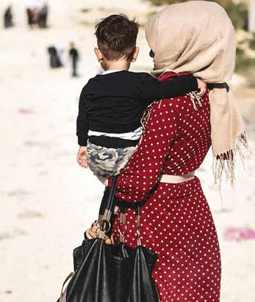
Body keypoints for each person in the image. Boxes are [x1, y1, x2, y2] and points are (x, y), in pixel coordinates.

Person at [113, 2, 246, 302]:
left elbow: (137, 182)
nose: (152, 52)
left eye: (158, 43)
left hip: (154, 215)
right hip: (191, 208)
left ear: (184, 42)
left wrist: (105, 172)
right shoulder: (212, 93)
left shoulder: (167, 99)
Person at [75, 14, 205, 182]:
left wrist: (82, 145)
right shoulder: (140, 82)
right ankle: (116, 185)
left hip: (96, 157)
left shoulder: (90, 86)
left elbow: (83, 119)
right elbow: (168, 89)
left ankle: (108, 183)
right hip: (127, 155)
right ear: (135, 54)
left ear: (98, 54)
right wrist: (193, 81)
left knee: (108, 175)